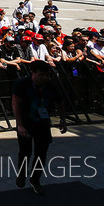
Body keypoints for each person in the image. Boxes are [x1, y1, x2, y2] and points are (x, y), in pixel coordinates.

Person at [12, 59, 67, 195]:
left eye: (46, 75)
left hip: (43, 123)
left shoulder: (50, 85)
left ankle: (35, 179)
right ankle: (22, 174)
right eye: (41, 75)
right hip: (26, 122)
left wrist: (62, 119)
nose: (44, 78)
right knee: (25, 152)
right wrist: (20, 125)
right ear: (33, 72)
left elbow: (59, 101)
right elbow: (16, 104)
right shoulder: (22, 84)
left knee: (41, 153)